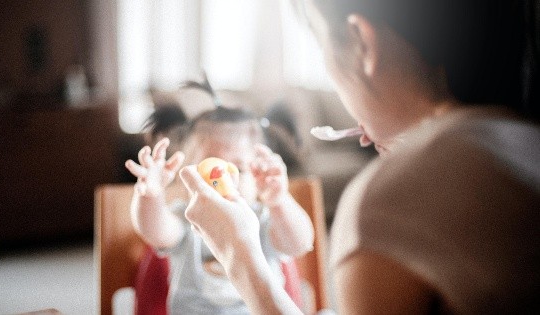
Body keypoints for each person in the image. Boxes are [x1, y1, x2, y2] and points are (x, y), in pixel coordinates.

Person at [177, 0, 540, 314]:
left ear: (362, 42)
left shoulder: (383, 205)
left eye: (319, 43)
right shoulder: (525, 138)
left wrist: (240, 255)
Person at [124, 87, 314, 314]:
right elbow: (154, 230)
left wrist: (279, 201)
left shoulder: (263, 221)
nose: (223, 179)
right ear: (186, 174)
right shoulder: (188, 218)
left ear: (257, 178)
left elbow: (299, 243)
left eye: (239, 169)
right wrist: (150, 195)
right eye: (210, 168)